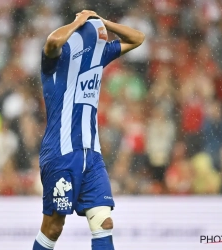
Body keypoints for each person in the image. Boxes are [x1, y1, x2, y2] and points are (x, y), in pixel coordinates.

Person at [33, 10, 145, 250]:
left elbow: (138, 38)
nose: (103, 36)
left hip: (92, 155)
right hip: (61, 154)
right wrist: (78, 21)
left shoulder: (100, 55)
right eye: (99, 32)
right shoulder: (56, 60)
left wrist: (102, 20)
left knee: (104, 223)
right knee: (53, 228)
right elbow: (52, 41)